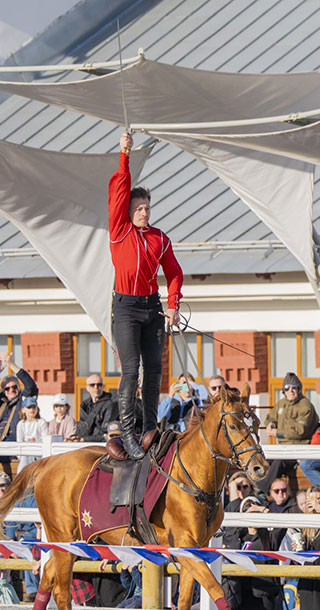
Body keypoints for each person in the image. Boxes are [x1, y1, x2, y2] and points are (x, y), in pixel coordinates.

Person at [109, 132, 184, 460]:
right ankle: (127, 432)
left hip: (151, 307)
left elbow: (175, 272)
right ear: (128, 211)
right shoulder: (120, 230)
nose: (144, 212)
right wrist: (125, 153)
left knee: (155, 367)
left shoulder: (159, 238)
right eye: (138, 208)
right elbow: (120, 187)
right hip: (125, 307)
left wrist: (173, 306)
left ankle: (150, 426)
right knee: (131, 369)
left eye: (147, 208)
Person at [0, 352, 38, 480]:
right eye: (7, 389)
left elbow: (31, 387)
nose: (11, 391)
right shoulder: (1, 400)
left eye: (14, 387)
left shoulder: (23, 400)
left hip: (12, 440)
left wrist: (12, 365)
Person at [264, 372, 318, 489]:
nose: (291, 391)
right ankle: (254, 487)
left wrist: (277, 433)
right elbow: (270, 418)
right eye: (287, 388)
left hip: (299, 449)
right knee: (264, 459)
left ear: (299, 389)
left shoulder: (305, 406)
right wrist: (270, 424)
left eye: (294, 387)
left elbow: (300, 431)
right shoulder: (281, 404)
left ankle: (263, 491)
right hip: (282, 448)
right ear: (283, 390)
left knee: (278, 462)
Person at [73, 374, 118, 442]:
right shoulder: (84, 405)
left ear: (103, 387)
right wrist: (74, 437)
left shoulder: (111, 404)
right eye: (92, 385)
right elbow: (83, 429)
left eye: (99, 385)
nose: (96, 388)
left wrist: (84, 439)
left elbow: (106, 432)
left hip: (103, 444)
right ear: (87, 388)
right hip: (85, 443)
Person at [16, 396, 48, 472]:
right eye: (29, 407)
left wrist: (35, 442)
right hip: (25, 453)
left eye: (34, 407)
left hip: (39, 453)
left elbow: (45, 439)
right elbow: (19, 442)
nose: (32, 410)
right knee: (25, 459)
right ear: (23, 409)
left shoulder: (41, 422)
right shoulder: (21, 424)